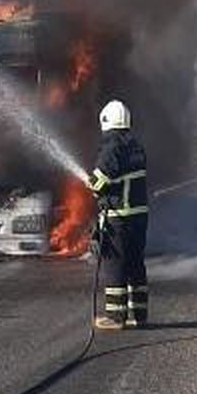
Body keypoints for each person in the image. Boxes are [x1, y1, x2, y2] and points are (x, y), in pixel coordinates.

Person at [86, 99, 149, 330]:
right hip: (139, 215)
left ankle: (115, 318)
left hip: (119, 217)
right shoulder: (135, 145)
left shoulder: (112, 146)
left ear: (105, 121)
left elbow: (99, 181)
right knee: (135, 264)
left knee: (115, 266)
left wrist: (90, 182)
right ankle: (139, 315)